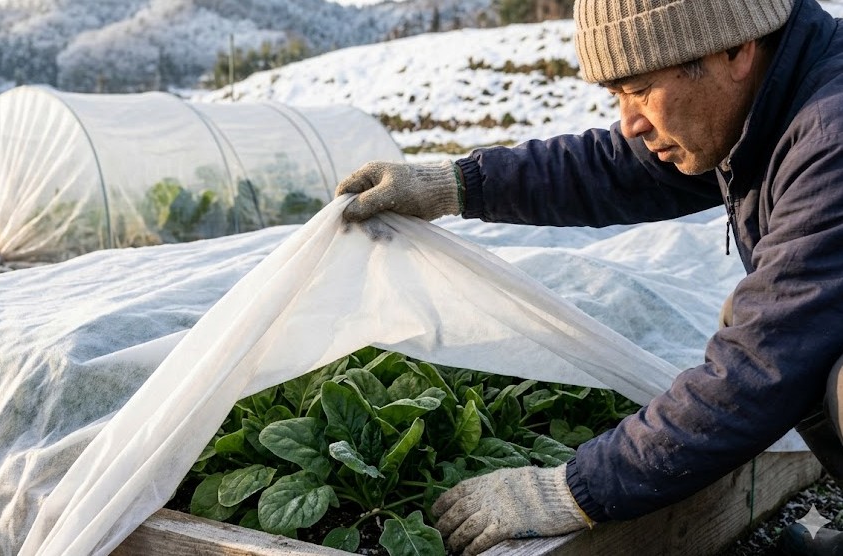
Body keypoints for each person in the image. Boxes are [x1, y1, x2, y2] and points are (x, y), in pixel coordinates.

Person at [335, 0, 843, 554]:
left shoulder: (831, 136)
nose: (629, 122)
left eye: (641, 89)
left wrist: (572, 490)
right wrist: (456, 184)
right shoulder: (770, 99)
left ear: (735, 50)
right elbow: (616, 170)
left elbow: (760, 365)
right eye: (616, 95)